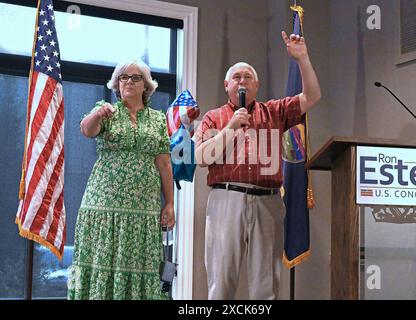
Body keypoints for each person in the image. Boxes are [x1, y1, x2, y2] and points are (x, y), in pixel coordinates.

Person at [195, 31, 321, 300]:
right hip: (226, 198)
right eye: (237, 77)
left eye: (248, 76)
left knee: (267, 286)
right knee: (221, 283)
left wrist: (302, 59)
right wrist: (230, 127)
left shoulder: (275, 111)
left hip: (268, 202)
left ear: (257, 85)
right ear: (226, 84)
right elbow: (201, 157)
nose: (242, 81)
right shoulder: (213, 117)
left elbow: (312, 96)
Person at [67, 59, 175, 300]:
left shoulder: (158, 119)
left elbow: (164, 163)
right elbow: (86, 130)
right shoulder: (106, 110)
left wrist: (169, 202)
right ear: (116, 84)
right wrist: (97, 114)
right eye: (123, 77)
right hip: (104, 206)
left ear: (146, 86)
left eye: (135, 77)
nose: (128, 81)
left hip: (143, 209)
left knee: (141, 266)